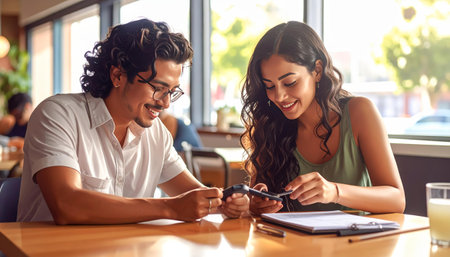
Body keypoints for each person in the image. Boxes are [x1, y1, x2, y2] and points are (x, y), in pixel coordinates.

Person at [17, 18, 248, 224]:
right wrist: (169, 207)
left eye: (172, 91)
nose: (166, 103)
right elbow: (66, 205)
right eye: (158, 88)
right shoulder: (57, 114)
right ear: (118, 75)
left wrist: (230, 202)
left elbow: (196, 196)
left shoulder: (156, 132)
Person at [240, 21, 405, 215]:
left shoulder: (360, 112)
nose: (279, 96)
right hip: (292, 244)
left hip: (357, 243)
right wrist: (257, 203)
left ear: (317, 71)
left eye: (290, 82)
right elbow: (257, 201)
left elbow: (397, 199)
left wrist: (334, 192)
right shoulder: (269, 125)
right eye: (270, 86)